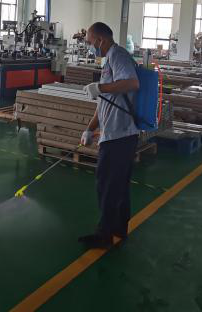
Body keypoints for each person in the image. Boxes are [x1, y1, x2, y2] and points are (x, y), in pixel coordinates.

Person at [80, 22, 140, 249]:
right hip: (114, 134)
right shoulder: (109, 60)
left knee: (107, 185)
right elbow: (104, 104)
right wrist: (90, 128)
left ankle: (104, 234)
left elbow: (132, 83)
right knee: (118, 185)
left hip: (120, 135)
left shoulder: (118, 55)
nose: (89, 46)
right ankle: (118, 229)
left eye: (90, 42)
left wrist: (100, 88)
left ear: (100, 40)